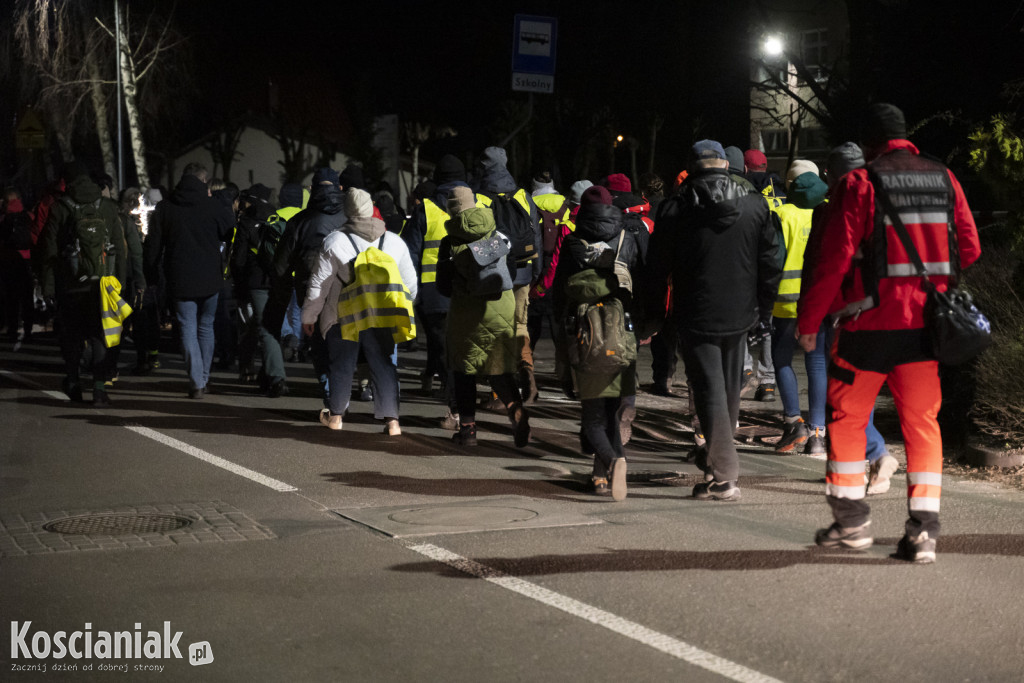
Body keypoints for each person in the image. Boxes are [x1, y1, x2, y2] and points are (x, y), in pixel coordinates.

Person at [798, 103, 982, 563]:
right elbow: (971, 247)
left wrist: (809, 323)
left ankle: (852, 525)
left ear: (867, 144)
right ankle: (924, 534)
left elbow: (833, 260)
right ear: (906, 136)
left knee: (847, 419)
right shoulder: (944, 178)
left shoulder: (860, 183)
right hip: (925, 329)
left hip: (868, 326)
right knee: (922, 424)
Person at [647, 140, 781, 500]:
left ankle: (724, 475)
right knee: (728, 386)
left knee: (709, 390)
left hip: (696, 309)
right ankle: (716, 465)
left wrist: (652, 317)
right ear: (724, 164)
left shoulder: (676, 207)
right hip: (741, 310)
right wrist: (763, 307)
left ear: (692, 168)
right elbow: (772, 261)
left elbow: (657, 268)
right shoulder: (755, 204)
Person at [553, 185, 644, 500]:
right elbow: (642, 285)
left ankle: (612, 462)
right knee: (613, 413)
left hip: (586, 337)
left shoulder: (572, 243)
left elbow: (558, 294)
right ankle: (600, 477)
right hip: (622, 335)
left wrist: (558, 342)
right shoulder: (627, 240)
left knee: (592, 416)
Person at [302, 188, 417, 435]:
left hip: (345, 313)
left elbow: (318, 285)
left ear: (348, 211)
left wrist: (309, 317)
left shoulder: (335, 241)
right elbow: (410, 285)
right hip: (383, 315)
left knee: (342, 364)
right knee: (384, 365)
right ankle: (393, 421)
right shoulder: (394, 241)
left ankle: (336, 417)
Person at [437, 186, 530, 448]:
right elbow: (510, 272)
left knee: (465, 369)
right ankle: (515, 411)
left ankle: (468, 431)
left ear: (451, 209)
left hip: (468, 312)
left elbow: (443, 286)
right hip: (501, 306)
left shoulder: (450, 241)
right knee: (499, 366)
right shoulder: (498, 233)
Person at [40, 161, 130, 406]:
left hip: (70, 286)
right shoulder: (109, 208)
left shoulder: (60, 208)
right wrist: (119, 284)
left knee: (72, 336)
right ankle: (99, 390)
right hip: (103, 284)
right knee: (100, 335)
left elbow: (49, 251)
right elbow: (120, 251)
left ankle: (73, 382)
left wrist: (48, 288)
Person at [145, 163, 234, 398]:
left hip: (180, 277)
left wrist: (151, 274)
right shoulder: (213, 205)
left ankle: (196, 380)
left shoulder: (165, 208)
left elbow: (153, 245)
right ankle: (203, 377)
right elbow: (229, 229)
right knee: (206, 327)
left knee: (187, 328)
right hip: (210, 277)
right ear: (204, 181)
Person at [474, 147, 542, 409]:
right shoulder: (523, 195)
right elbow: (534, 238)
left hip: (494, 273)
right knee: (520, 326)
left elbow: (477, 239)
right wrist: (535, 273)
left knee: (495, 330)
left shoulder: (479, 197)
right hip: (523, 271)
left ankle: (498, 395)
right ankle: (528, 373)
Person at [770, 160, 829, 454]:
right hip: (818, 300)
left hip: (785, 300)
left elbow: (773, 258)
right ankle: (818, 434)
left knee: (781, 360)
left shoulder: (781, 213)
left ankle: (794, 423)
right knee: (817, 362)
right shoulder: (828, 210)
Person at [232, 184, 289, 397]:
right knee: (265, 325)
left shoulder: (247, 223)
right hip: (279, 280)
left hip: (257, 282)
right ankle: (265, 375)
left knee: (263, 328)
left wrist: (239, 282)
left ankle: (276, 377)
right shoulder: (277, 218)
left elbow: (238, 260)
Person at [0, 188, 37, 349]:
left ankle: (12, 329)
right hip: (26, 260)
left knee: (11, 297)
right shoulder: (28, 216)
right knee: (27, 297)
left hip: (8, 260)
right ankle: (28, 329)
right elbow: (35, 238)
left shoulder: (2, 218)